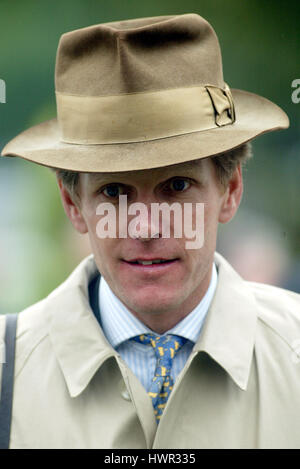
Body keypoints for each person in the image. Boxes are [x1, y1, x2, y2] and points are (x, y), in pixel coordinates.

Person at [0, 13, 299, 450]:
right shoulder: (7, 374)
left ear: (230, 190)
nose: (146, 226)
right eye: (114, 190)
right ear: (73, 205)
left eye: (177, 186)